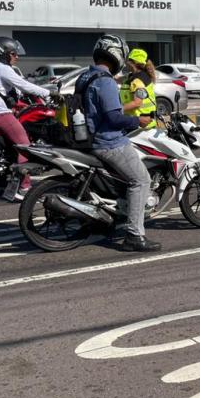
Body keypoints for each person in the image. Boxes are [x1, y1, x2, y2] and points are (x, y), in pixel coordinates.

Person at [77, 35, 159, 252]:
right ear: (117, 56)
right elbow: (113, 118)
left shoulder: (86, 76)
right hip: (109, 141)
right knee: (141, 180)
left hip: (90, 138)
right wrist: (138, 121)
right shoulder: (105, 81)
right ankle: (134, 235)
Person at [0, 37, 54, 201]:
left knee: (11, 149)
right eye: (14, 53)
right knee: (24, 147)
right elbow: (24, 85)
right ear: (5, 53)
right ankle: (24, 188)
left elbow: (13, 88)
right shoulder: (3, 69)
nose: (17, 57)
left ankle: (1, 182)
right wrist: (49, 93)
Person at [120, 48, 158, 129]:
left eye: (128, 60)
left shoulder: (138, 81)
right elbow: (119, 79)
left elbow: (137, 103)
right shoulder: (133, 76)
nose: (126, 63)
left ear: (133, 63)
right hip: (140, 123)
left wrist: (118, 109)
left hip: (142, 126)